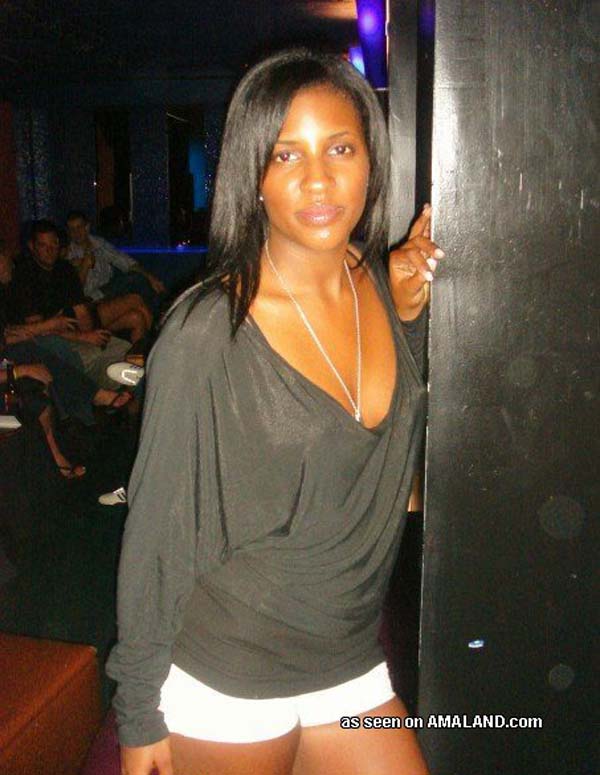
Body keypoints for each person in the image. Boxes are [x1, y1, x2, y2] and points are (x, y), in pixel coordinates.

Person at [107, 49, 443, 775]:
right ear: (252, 176)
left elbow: (387, 432)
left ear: (371, 162)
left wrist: (409, 311)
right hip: (229, 673)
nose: (318, 179)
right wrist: (137, 710)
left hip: (348, 657)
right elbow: (157, 532)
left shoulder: (379, 285)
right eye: (286, 154)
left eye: (340, 148)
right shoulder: (208, 333)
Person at [12, 220, 134, 393]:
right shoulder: (25, 276)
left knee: (125, 350)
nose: (50, 250)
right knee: (93, 356)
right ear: (32, 247)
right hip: (50, 342)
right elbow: (38, 331)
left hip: (74, 333)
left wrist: (91, 335)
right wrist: (82, 337)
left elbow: (81, 310)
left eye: (54, 244)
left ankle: (123, 397)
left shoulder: (65, 269)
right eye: (43, 245)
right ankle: (97, 395)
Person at [65, 210, 166, 319]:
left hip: (108, 290)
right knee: (134, 280)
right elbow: (75, 292)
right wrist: (84, 265)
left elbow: (124, 261)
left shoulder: (98, 243)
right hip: (90, 299)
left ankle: (159, 315)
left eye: (79, 227)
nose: (76, 232)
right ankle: (160, 316)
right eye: (72, 229)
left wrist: (151, 278)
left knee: (138, 288)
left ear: (87, 227)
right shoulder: (68, 253)